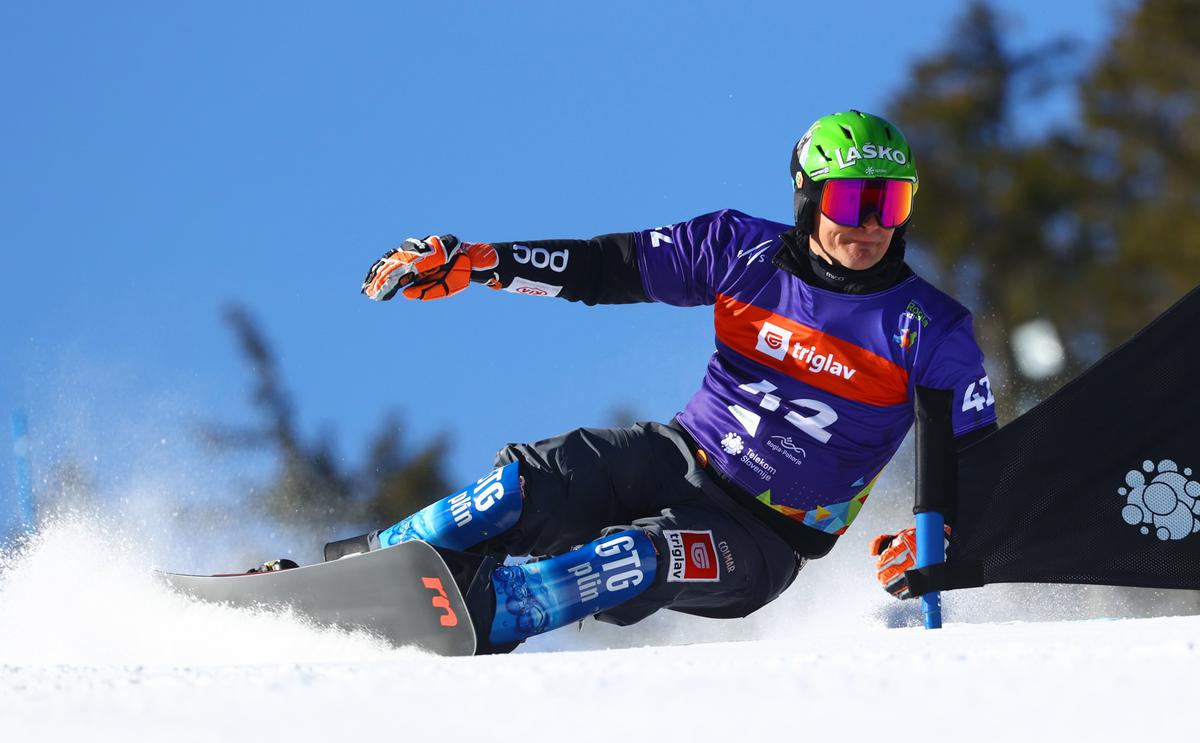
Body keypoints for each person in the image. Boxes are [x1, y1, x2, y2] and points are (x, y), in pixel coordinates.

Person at [328, 110, 998, 652]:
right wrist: (484, 263)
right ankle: (352, 572)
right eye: (853, 200)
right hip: (676, 456)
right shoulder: (741, 250)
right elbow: (607, 268)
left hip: (765, 541)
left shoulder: (929, 327)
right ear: (809, 199)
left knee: (633, 557)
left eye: (892, 202)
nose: (872, 225)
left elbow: (981, 465)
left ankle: (494, 615)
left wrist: (943, 538)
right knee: (521, 487)